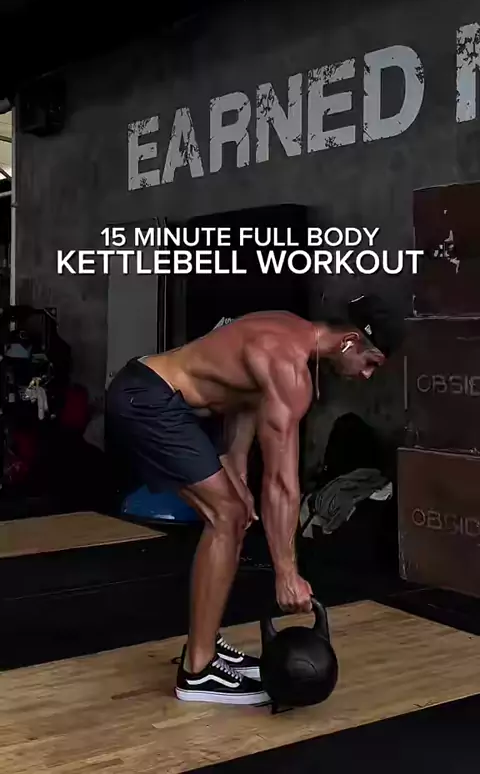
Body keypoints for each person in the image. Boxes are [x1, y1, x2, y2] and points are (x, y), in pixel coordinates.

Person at [105, 295, 402, 705]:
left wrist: (238, 474)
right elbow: (281, 482)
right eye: (371, 363)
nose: (367, 375)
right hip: (150, 401)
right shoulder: (289, 367)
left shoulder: (287, 329)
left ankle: (204, 643)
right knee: (226, 516)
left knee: (235, 511)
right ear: (350, 341)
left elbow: (241, 402)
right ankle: (198, 671)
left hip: (154, 394)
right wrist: (287, 573)